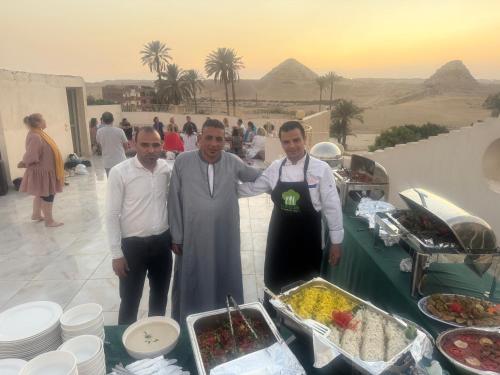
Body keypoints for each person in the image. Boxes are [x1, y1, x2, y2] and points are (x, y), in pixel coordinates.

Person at [167, 119, 261, 323]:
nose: (213, 144)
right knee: (193, 277)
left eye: (219, 139)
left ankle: (227, 321)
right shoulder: (183, 161)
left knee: (224, 275)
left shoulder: (233, 161)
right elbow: (173, 198)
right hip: (193, 237)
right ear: (199, 139)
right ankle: (191, 323)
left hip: (224, 235)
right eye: (208, 138)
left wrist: (282, 170)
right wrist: (176, 235)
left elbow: (256, 177)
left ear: (224, 141)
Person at [239, 121, 344, 299]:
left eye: (296, 140)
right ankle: (276, 321)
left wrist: (336, 242)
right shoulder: (275, 168)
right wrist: (224, 190)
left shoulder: (321, 169)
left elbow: (332, 206)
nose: (292, 146)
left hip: (308, 240)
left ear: (305, 140)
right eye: (286, 142)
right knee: (275, 285)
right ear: (281, 143)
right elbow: (252, 188)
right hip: (279, 238)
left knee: (307, 288)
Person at [106, 126, 173, 324]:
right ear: (134, 144)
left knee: (160, 298)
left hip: (162, 243)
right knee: (130, 300)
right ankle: (124, 345)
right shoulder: (120, 172)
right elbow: (111, 214)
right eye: (144, 145)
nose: (150, 150)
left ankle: (156, 340)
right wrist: (116, 254)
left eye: (155, 145)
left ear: (162, 145)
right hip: (132, 247)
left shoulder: (166, 170)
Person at [18, 113, 64, 227]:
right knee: (48, 195)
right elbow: (32, 155)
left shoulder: (39, 133)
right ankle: (49, 221)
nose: (45, 121)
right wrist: (24, 162)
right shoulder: (36, 136)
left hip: (44, 171)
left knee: (40, 193)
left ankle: (36, 215)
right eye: (43, 119)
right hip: (42, 172)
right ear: (38, 123)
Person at [96, 112, 128, 176]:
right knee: (123, 181)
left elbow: (99, 145)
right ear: (113, 120)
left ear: (103, 120)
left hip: (107, 162)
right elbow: (126, 145)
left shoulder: (99, 132)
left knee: (111, 182)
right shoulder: (119, 131)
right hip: (120, 160)